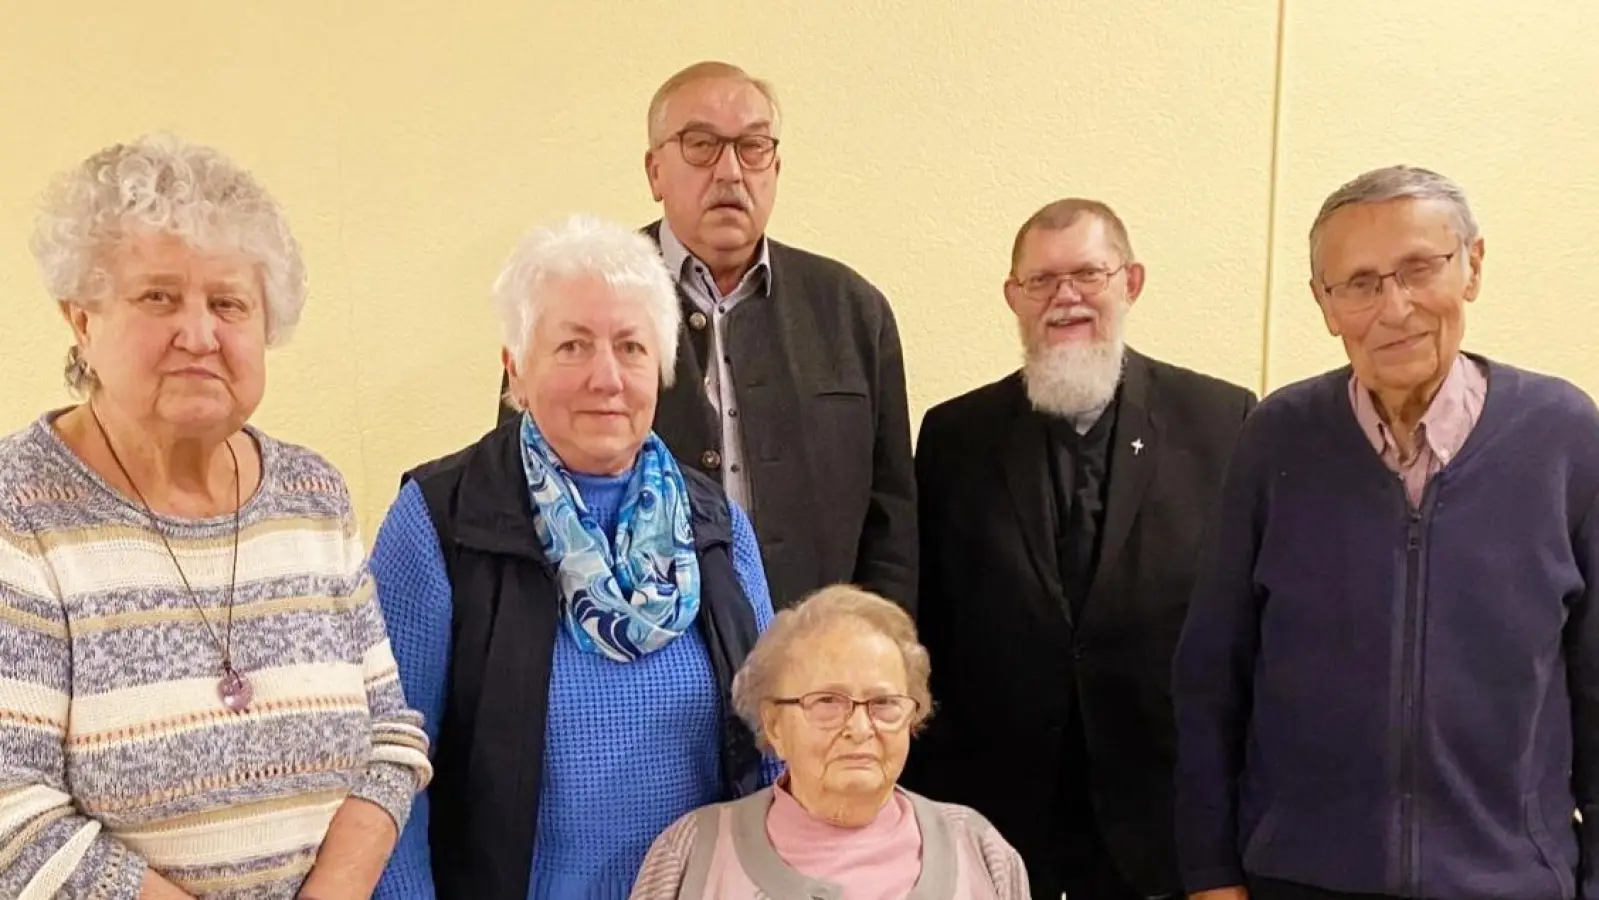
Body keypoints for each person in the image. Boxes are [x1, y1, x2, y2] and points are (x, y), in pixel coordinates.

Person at [0, 133, 431, 898]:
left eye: (228, 303)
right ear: (81, 320)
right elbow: (14, 814)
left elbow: (390, 738)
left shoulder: (311, 495)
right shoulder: (18, 509)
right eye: (158, 296)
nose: (198, 335)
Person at [1174, 165, 1599, 900]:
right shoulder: (1276, 437)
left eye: (1417, 269)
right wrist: (1209, 874)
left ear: (1471, 267)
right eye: (1359, 283)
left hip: (1507, 881)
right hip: (1298, 879)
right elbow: (1212, 669)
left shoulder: (1562, 435)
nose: (1393, 307)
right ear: (1323, 303)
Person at [374, 214, 779, 900]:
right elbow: (387, 765)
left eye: (630, 346)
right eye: (571, 346)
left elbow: (772, 745)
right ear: (516, 368)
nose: (606, 377)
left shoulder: (717, 527)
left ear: (662, 367)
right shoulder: (439, 520)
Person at [903, 199, 1257, 900]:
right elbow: (931, 619)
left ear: (1131, 282)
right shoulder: (953, 435)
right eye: (1040, 281)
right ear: (1013, 297)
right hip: (998, 822)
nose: (1064, 296)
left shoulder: (1224, 420)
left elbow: (1245, 628)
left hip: (1162, 820)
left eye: (1087, 274)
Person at [496, 60, 916, 611]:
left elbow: (892, 520)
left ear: (776, 167)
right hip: (639, 649)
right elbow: (518, 478)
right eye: (701, 144)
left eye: (752, 147)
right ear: (654, 172)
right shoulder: (579, 293)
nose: (730, 172)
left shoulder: (852, 310)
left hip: (812, 663)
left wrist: (880, 641)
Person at [632, 584, 1030, 899]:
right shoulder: (691, 853)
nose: (859, 727)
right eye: (827, 702)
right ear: (774, 725)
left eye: (884, 703)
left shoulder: (979, 849)